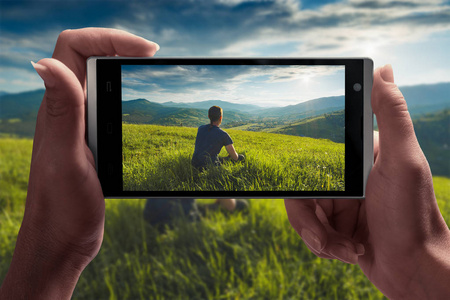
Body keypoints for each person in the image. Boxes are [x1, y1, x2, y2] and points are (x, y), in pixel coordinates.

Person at [0, 27, 449, 299]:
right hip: (209, 175)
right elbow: (232, 158)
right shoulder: (226, 133)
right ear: (223, 117)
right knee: (239, 181)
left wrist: (51, 246)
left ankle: (212, 201)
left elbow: (210, 151)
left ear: (205, 117)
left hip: (194, 169)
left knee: (211, 183)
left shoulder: (198, 131)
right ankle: (227, 204)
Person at [191, 105, 245, 170]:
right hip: (209, 166)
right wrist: (236, 156)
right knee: (241, 157)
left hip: (194, 163)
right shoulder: (223, 134)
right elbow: (235, 157)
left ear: (209, 117)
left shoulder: (200, 128)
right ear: (221, 118)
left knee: (219, 158)